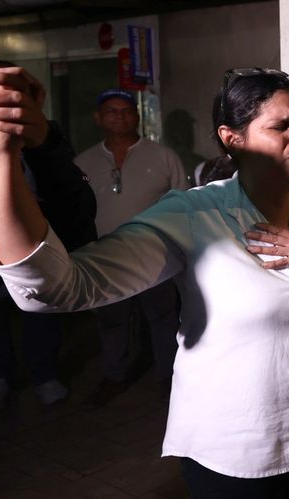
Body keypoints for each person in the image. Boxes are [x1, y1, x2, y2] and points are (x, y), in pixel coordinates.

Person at [0, 63, 289, 498]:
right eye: (281, 126)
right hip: (238, 459)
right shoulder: (194, 215)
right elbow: (57, 288)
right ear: (233, 139)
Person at [0, 60, 97, 413]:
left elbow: (73, 219)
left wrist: (42, 141)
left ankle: (45, 374)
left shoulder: (37, 136)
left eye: (10, 93)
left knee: (40, 311)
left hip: (31, 243)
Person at [74, 88, 188, 407]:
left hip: (156, 255)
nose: (120, 116)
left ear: (137, 117)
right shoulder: (83, 162)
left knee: (163, 318)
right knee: (112, 320)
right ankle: (115, 375)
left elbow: (184, 204)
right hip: (105, 257)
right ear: (98, 118)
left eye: (126, 111)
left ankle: (170, 378)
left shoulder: (163, 156)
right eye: (112, 111)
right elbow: (74, 211)